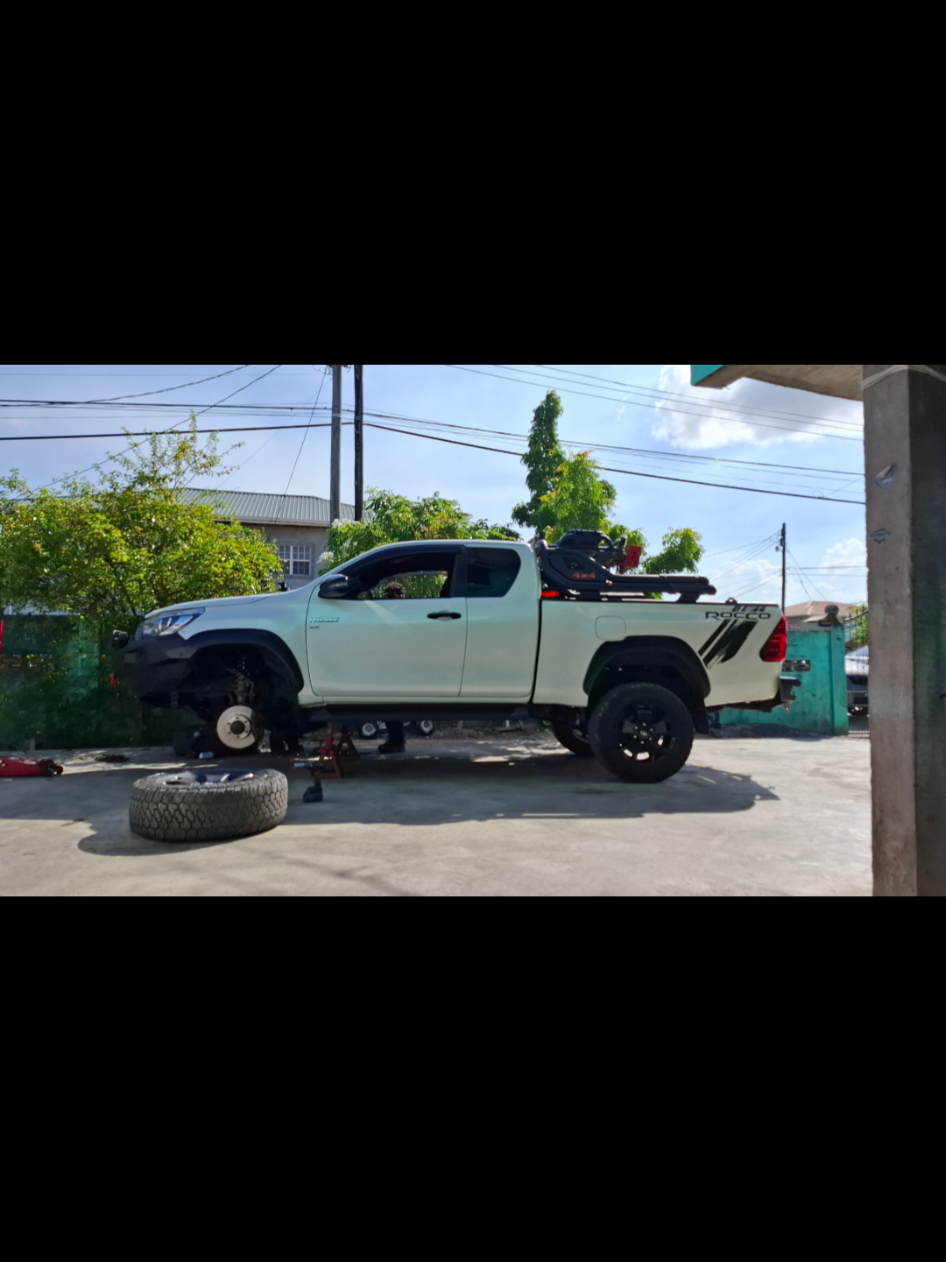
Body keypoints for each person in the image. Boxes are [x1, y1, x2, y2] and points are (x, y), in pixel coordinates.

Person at [379, 583, 407, 753]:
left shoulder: (405, 614)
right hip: (390, 663)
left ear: (400, 597)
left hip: (401, 665)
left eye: (391, 597)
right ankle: (396, 739)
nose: (388, 600)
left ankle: (397, 740)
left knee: (392, 704)